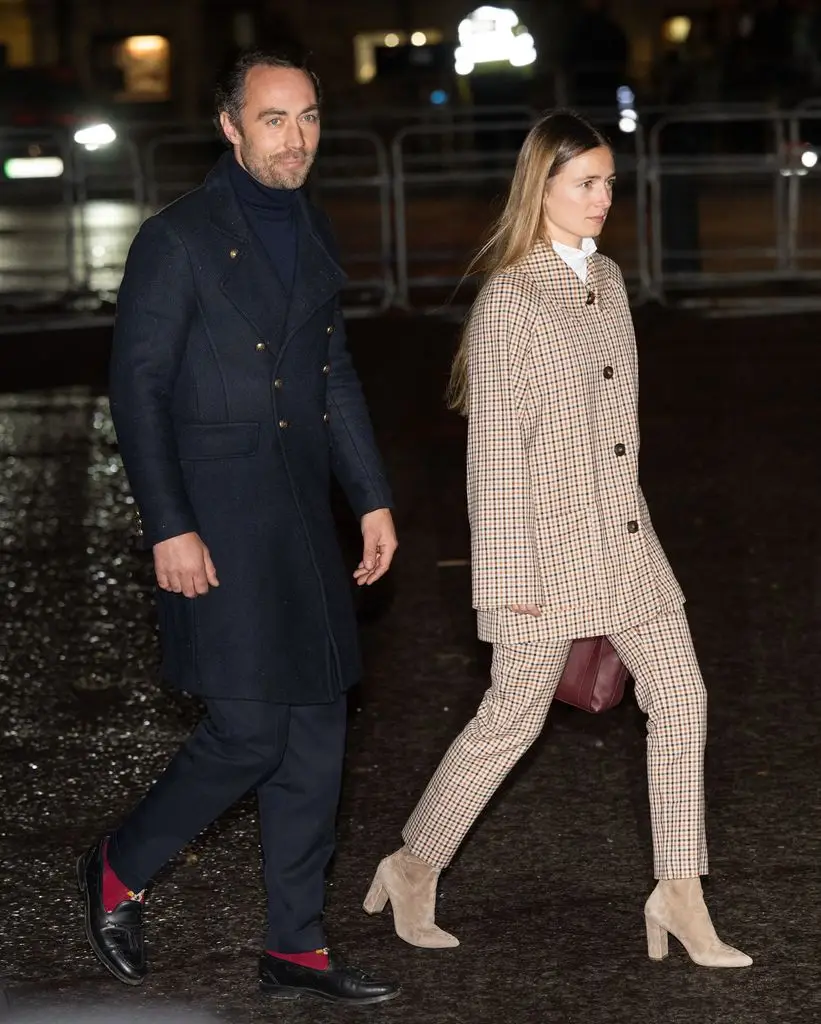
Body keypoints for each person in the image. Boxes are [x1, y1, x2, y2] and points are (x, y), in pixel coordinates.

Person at [364, 111, 752, 970]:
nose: (602, 197)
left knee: (681, 696)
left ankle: (678, 891)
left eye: (608, 181)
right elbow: (494, 458)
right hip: (545, 550)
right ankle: (412, 865)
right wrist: (508, 580)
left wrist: (632, 524)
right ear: (539, 189)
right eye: (584, 182)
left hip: (625, 537)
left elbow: (620, 431)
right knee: (511, 717)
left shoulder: (606, 279)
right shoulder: (511, 300)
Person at [77, 49, 400, 1006]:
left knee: (317, 732)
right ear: (229, 126)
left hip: (300, 512)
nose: (296, 139)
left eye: (308, 117)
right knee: (249, 732)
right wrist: (168, 526)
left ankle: (295, 945)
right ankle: (117, 867)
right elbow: (137, 390)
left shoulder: (311, 223)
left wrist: (371, 494)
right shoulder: (176, 238)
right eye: (273, 119)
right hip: (217, 517)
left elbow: (334, 373)